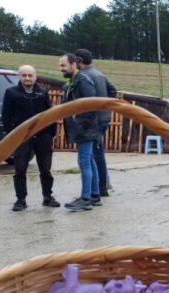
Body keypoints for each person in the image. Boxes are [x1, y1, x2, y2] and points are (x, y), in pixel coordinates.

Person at [2, 65, 60, 211]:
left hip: (42, 137)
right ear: (19, 77)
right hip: (22, 138)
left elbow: (50, 114)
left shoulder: (42, 92)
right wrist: (13, 136)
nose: (27, 78)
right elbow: (6, 117)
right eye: (24, 75)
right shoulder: (11, 93)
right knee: (20, 170)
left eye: (30, 75)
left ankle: (47, 197)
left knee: (45, 169)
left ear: (35, 77)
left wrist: (50, 133)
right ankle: (20, 200)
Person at [59, 53, 100, 212]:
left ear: (73, 64)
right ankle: (94, 195)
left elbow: (92, 106)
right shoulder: (73, 82)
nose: (60, 69)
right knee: (89, 160)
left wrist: (79, 123)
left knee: (84, 162)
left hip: (86, 129)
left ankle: (86, 199)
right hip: (84, 128)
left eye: (63, 65)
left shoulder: (83, 82)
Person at [74, 49, 117, 197]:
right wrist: (105, 107)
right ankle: (100, 187)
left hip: (94, 121)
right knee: (97, 153)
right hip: (103, 118)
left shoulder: (84, 76)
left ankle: (100, 188)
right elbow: (113, 92)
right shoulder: (100, 74)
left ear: (79, 61)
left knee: (94, 155)